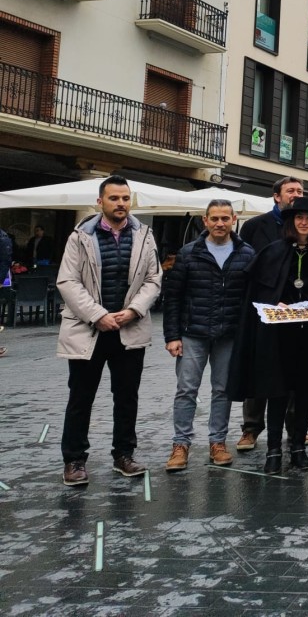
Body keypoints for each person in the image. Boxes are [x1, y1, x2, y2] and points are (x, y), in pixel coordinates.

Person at [229, 197, 308, 474]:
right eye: (299, 218)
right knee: (277, 390)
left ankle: (297, 445)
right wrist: (277, 303)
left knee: (305, 391)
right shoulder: (273, 251)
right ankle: (273, 448)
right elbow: (259, 292)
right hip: (278, 336)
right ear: (290, 221)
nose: (304, 222)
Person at [56, 176, 162, 486]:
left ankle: (123, 455)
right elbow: (67, 282)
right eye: (114, 198)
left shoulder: (145, 235)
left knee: (127, 397)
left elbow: (154, 280)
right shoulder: (80, 236)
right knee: (81, 397)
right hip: (89, 329)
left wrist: (132, 311)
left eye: (125, 198)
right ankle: (74, 460)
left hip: (129, 328)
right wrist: (98, 315)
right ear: (100, 201)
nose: (121, 204)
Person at [162, 200, 255, 472]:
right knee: (186, 390)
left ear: (234, 219)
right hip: (193, 333)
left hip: (229, 334)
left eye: (225, 218)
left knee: (223, 390)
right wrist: (172, 336)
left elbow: (251, 297)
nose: (219, 223)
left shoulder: (246, 253)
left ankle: (218, 442)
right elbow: (173, 298)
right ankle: (181, 445)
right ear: (205, 221)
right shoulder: (189, 253)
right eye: (214, 218)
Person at [235, 176, 304, 453]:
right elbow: (245, 263)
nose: (296, 195)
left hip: (296, 312)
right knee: (259, 367)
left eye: (300, 191)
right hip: (263, 308)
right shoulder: (255, 226)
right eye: (291, 191)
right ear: (277, 196)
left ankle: (294, 428)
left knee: (292, 371)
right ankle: (251, 429)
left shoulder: (305, 226)